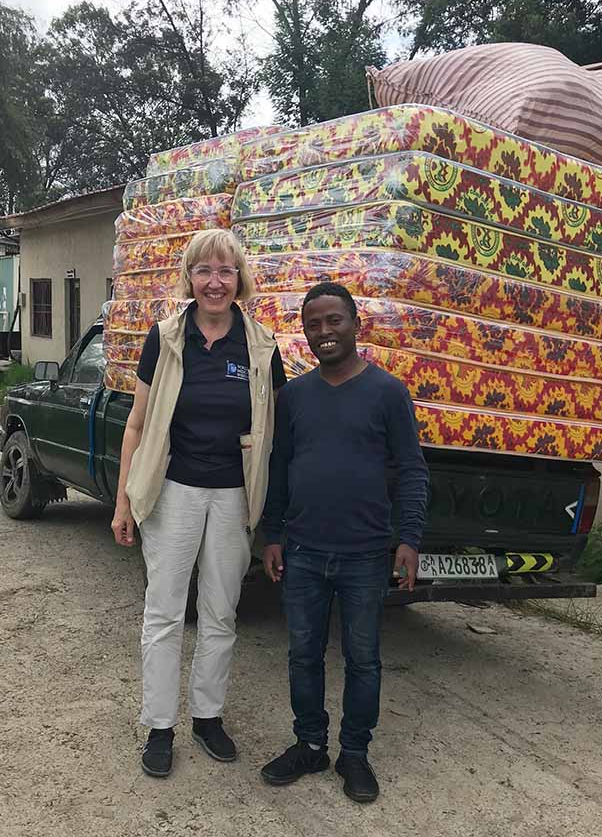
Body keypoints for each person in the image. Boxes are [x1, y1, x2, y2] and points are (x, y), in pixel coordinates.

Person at [111, 228, 287, 778]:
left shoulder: (261, 346)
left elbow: (275, 430)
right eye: (205, 271)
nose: (215, 282)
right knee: (164, 612)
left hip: (233, 498)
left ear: (240, 280)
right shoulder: (164, 338)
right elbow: (137, 425)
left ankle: (207, 717)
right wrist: (122, 504)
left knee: (220, 612)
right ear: (189, 277)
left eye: (226, 271)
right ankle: (159, 726)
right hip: (174, 493)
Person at [260, 282, 428, 803]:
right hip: (304, 551)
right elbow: (279, 469)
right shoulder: (294, 397)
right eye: (313, 324)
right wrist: (273, 535)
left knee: (363, 659)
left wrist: (410, 539)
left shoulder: (388, 392)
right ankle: (310, 744)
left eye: (334, 321)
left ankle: (354, 753)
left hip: (365, 554)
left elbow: (412, 470)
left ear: (356, 324)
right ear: (305, 332)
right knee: (303, 655)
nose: (324, 332)